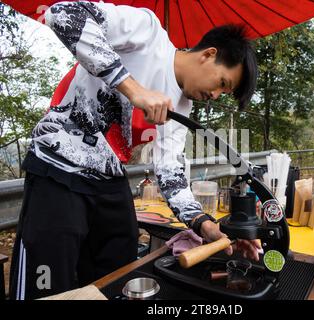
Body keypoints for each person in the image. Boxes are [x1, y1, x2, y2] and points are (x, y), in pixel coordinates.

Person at [9, 1, 260, 300]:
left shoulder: (182, 107)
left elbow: (169, 172)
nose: (216, 96)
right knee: (49, 278)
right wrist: (133, 88)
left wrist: (205, 225)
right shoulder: (147, 31)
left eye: (224, 93)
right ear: (208, 54)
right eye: (222, 83)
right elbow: (64, 14)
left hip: (108, 177)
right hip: (59, 160)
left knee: (123, 272)